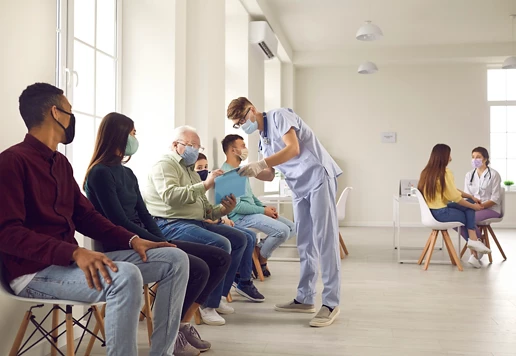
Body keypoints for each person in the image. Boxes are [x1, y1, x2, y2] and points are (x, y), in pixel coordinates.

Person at [0, 83, 189, 356]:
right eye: (69, 111)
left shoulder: (60, 164)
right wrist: (74, 252)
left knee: (175, 260)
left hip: (67, 263)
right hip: (33, 273)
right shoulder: (11, 162)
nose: (71, 118)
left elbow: (86, 216)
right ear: (55, 113)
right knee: (125, 277)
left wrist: (133, 239)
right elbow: (7, 234)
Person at [84, 113, 231, 356]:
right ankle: (169, 340)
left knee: (218, 258)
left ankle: (181, 326)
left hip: (146, 240)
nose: (135, 138)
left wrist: (163, 240)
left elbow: (144, 214)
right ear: (118, 135)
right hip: (121, 246)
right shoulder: (99, 173)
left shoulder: (127, 173)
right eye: (132, 133)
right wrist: (157, 243)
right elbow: (118, 220)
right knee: (197, 266)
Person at [227, 98, 342, 328]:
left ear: (252, 110)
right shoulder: (263, 141)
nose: (242, 124)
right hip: (299, 187)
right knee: (305, 243)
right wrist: (244, 171)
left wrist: (259, 164)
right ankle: (305, 298)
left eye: (242, 119)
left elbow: (293, 148)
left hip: (318, 178)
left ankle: (330, 303)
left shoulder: (279, 116)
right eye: (238, 124)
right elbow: (269, 174)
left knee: (324, 239)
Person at [145, 126, 265, 326]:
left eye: (198, 146)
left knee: (240, 238)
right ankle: (207, 305)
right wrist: (207, 184)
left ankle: (218, 297)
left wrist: (224, 209)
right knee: (222, 244)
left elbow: (205, 209)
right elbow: (171, 198)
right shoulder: (164, 165)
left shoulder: (189, 169)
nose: (195, 149)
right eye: (191, 145)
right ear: (176, 145)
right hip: (170, 223)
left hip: (193, 221)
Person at [220, 134, 296, 276]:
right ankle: (262, 260)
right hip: (240, 218)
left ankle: (259, 251)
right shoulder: (227, 174)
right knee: (282, 231)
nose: (246, 149)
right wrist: (262, 210)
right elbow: (237, 207)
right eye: (242, 146)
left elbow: (251, 196)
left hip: (252, 213)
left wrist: (264, 207)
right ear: (232, 150)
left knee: (292, 227)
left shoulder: (240, 170)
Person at [194, 153, 267, 282]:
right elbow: (202, 215)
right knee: (239, 239)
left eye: (206, 166)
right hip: (206, 224)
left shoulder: (213, 181)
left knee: (250, 236)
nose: (204, 170)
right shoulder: (193, 188)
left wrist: (224, 216)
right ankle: (234, 277)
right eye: (199, 168)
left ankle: (243, 280)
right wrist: (222, 219)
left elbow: (213, 207)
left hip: (218, 219)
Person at [418, 144, 491, 268]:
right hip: (441, 214)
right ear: (444, 156)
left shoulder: (427, 172)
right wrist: (474, 207)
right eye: (449, 154)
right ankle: (474, 243)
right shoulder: (445, 172)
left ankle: (473, 249)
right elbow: (455, 197)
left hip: (432, 212)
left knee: (469, 204)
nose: (450, 157)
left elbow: (451, 189)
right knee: (468, 211)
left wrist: (471, 197)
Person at [462, 146, 502, 265]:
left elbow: (495, 199)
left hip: (491, 209)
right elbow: (467, 196)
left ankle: (474, 253)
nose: (475, 159)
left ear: (485, 159)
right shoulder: (469, 175)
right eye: (473, 157)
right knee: (459, 219)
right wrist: (472, 206)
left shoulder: (494, 175)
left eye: (478, 157)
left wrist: (480, 207)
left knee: (469, 218)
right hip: (474, 208)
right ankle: (478, 244)